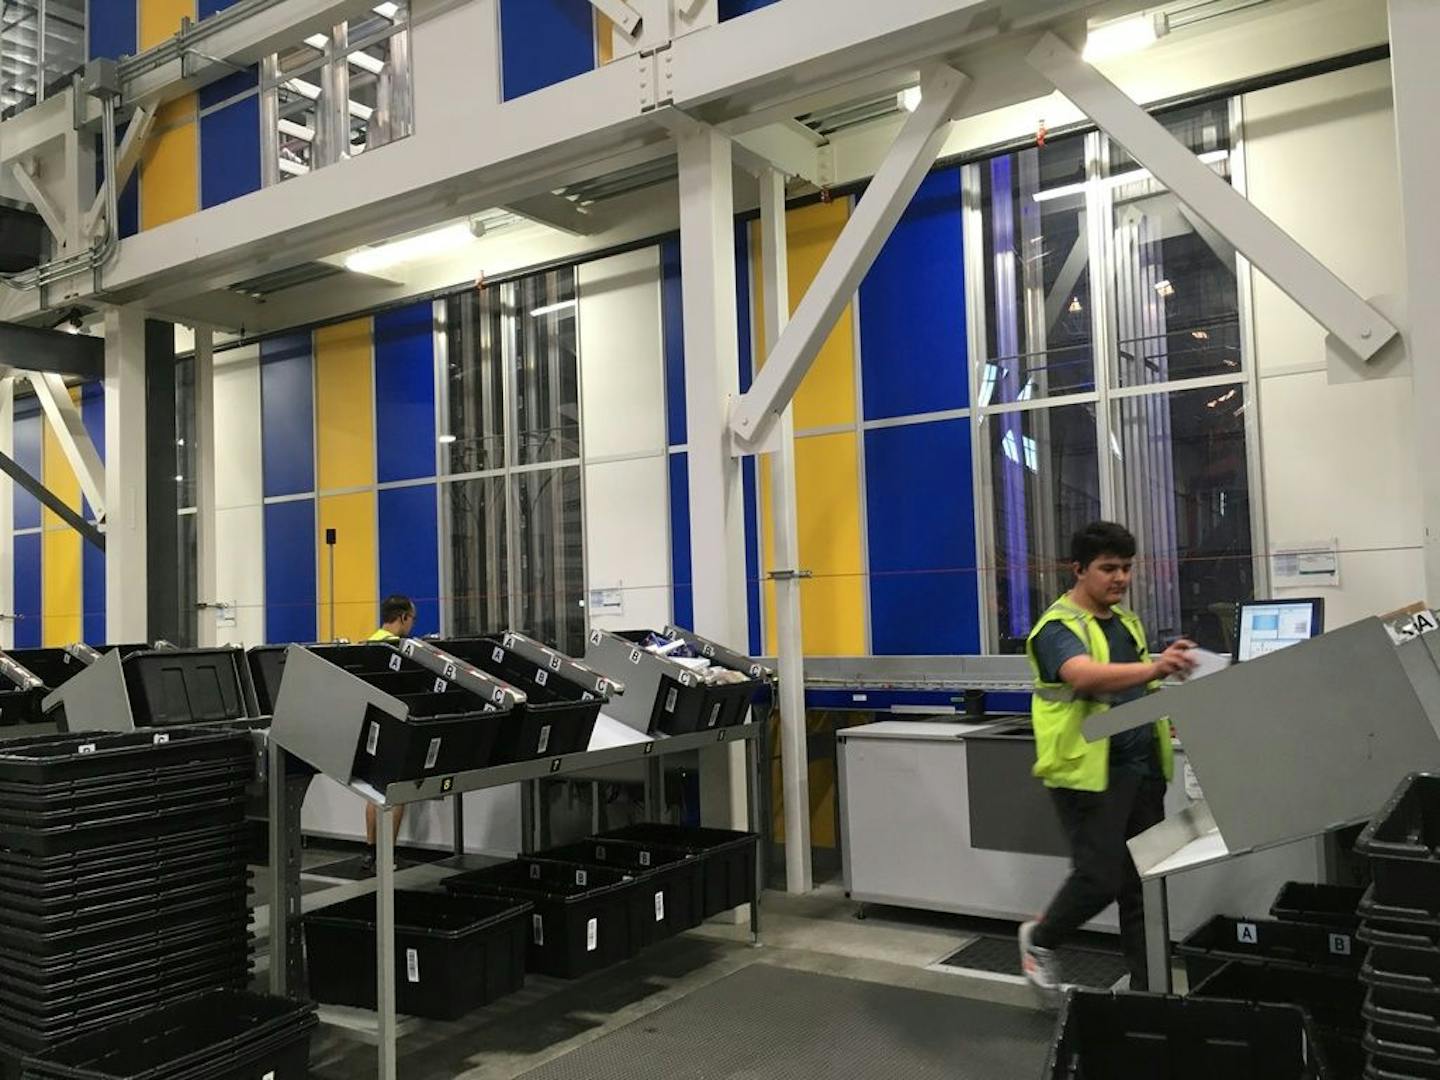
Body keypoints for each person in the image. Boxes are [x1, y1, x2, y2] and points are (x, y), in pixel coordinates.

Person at [1017, 522, 1197, 997]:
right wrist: (1156, 666)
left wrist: (1165, 678)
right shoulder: (1057, 628)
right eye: (1108, 568)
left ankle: (1148, 989)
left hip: (1141, 770)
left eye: (1126, 568)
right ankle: (1040, 938)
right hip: (1089, 773)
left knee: (1144, 885)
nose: (1120, 578)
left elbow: (1135, 684)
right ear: (1077, 570)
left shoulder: (1126, 622)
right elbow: (1085, 677)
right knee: (1099, 878)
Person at [361, 595, 417, 873]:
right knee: (397, 793)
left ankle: (371, 853)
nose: (412, 625)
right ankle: (388, 856)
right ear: (403, 617)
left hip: (372, 726)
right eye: (412, 619)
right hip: (394, 727)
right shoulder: (399, 648)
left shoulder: (371, 642)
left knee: (373, 793)